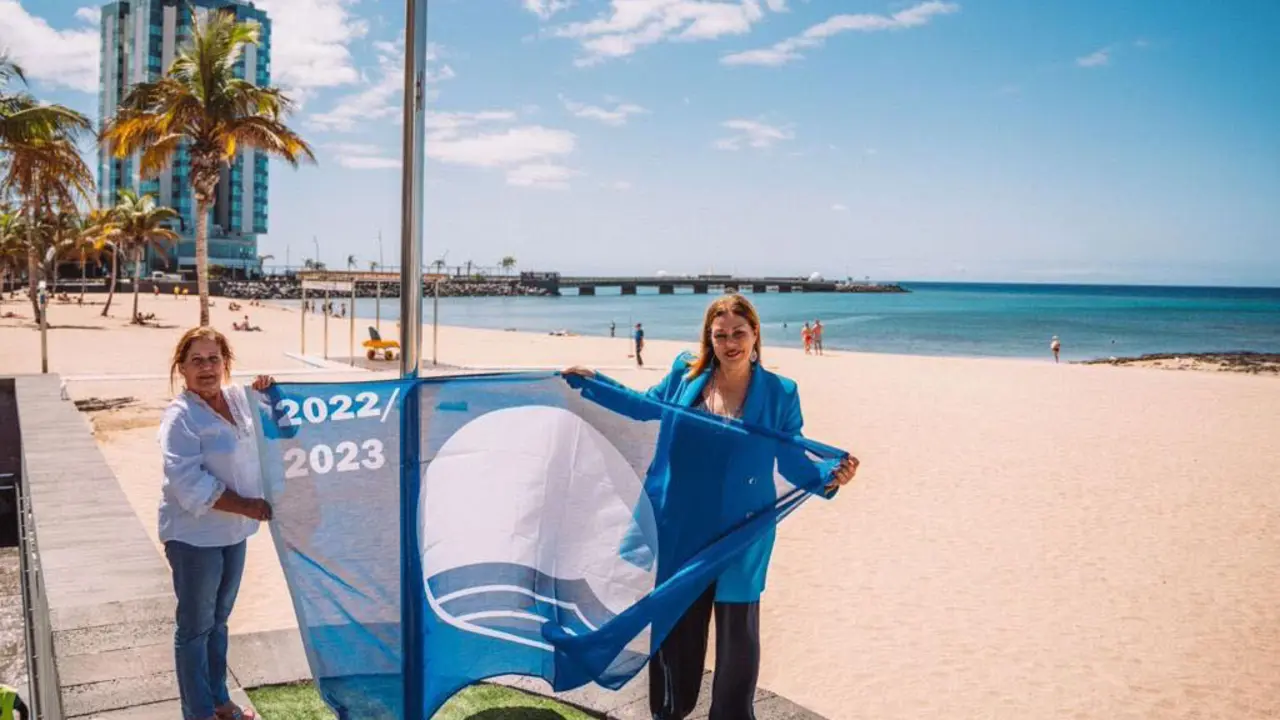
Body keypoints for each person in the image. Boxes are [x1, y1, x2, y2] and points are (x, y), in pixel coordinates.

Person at [564, 295, 859, 720]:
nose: (730, 343)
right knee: (678, 631)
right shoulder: (688, 374)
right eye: (720, 335)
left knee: (738, 638)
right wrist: (597, 383)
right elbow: (645, 407)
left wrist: (828, 478)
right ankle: (669, 712)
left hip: (743, 532)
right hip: (682, 525)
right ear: (710, 338)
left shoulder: (780, 393)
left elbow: (791, 459)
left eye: (739, 333)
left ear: (755, 334)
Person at [159, 327, 275, 720]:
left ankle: (219, 699)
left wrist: (270, 390)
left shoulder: (241, 399)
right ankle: (199, 712)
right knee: (194, 627)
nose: (206, 368)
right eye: (197, 360)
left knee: (219, 620)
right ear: (182, 368)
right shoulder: (180, 418)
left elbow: (277, 423)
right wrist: (247, 505)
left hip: (234, 533)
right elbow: (189, 483)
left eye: (213, 359)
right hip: (194, 537)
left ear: (226, 362)